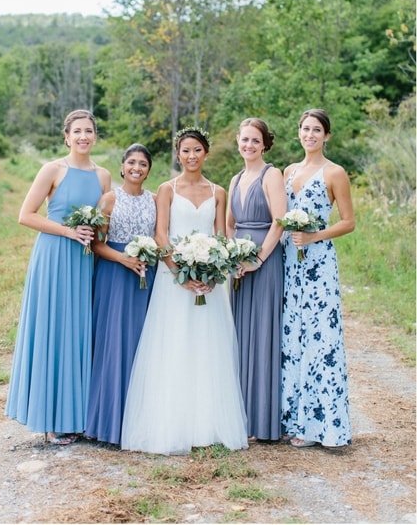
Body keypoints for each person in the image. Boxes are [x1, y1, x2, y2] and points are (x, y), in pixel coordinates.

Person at [121, 127, 248, 455]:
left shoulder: (218, 191)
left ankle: (207, 425)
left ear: (206, 153)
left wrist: (213, 272)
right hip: (173, 280)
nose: (191, 156)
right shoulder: (166, 189)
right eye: (185, 151)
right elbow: (161, 235)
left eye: (197, 150)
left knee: (208, 349)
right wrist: (181, 275)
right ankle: (171, 425)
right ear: (178, 154)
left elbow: (221, 236)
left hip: (208, 283)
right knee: (174, 346)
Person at [4, 109, 112, 446]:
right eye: (77, 131)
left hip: (84, 260)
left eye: (89, 131)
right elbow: (25, 215)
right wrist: (67, 231)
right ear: (66, 137)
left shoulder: (104, 176)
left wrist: (99, 229)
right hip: (53, 256)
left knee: (79, 331)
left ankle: (75, 417)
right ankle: (48, 417)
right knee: (54, 329)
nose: (83, 136)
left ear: (95, 136)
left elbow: (104, 224)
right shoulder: (53, 169)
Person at [281, 108, 355, 449]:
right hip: (289, 263)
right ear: (299, 133)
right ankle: (293, 420)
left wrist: (314, 236)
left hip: (319, 264)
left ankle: (323, 427)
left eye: (317, 130)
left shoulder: (335, 172)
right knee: (292, 336)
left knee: (320, 338)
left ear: (326, 135)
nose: (310, 134)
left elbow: (348, 222)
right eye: (305, 128)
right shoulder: (289, 170)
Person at [84, 143, 156, 447]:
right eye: (131, 163)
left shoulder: (155, 200)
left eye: (142, 164)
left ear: (149, 169)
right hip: (114, 275)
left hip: (145, 277)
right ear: (122, 167)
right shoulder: (109, 199)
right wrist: (123, 258)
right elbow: (97, 244)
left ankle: (139, 419)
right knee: (113, 343)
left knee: (142, 343)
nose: (136, 168)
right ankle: (107, 422)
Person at [225, 117, 286, 444]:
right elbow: (230, 225)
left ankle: (263, 419)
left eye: (254, 140)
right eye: (244, 139)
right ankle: (242, 415)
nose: (248, 145)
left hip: (265, 260)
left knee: (262, 335)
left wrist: (258, 259)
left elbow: (279, 222)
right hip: (239, 265)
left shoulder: (271, 174)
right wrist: (233, 257)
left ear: (264, 144)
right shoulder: (235, 179)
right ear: (238, 141)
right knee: (241, 334)